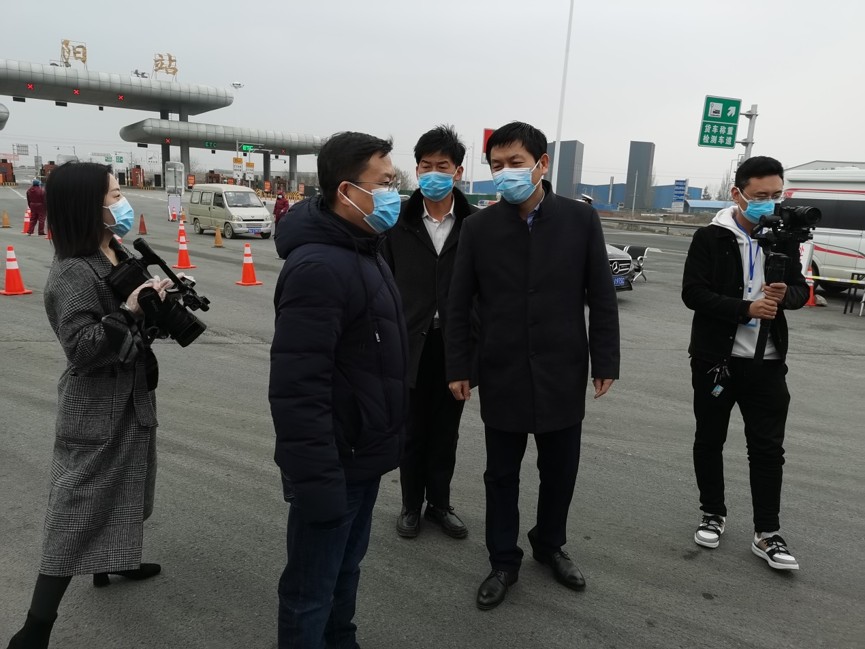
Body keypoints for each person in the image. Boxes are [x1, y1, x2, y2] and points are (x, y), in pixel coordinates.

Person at [446, 121, 620, 610]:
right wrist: (459, 366)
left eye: (515, 163)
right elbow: (458, 304)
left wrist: (606, 359)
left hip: (562, 368)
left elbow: (601, 296)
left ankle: (550, 544)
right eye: (496, 165)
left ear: (541, 164)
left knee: (560, 471)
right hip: (501, 369)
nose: (505, 172)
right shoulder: (479, 228)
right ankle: (503, 560)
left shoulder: (580, 220)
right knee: (500, 475)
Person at [6, 162, 173, 649]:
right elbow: (81, 349)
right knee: (76, 511)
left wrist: (158, 299)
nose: (123, 202)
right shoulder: (72, 272)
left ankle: (113, 561)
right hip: (96, 407)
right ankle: (35, 628)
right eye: (115, 195)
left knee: (132, 486)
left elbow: (135, 321)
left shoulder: (113, 248)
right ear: (88, 206)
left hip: (132, 396)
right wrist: (129, 310)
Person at [269, 131, 408, 648]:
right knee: (310, 589)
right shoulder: (320, 267)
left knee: (345, 571)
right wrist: (317, 478)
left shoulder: (365, 250)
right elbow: (297, 388)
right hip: (332, 463)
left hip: (361, 454)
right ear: (347, 191)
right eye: (385, 183)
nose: (394, 193)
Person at [682, 155, 808, 571]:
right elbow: (693, 293)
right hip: (716, 361)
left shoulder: (786, 238)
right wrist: (745, 309)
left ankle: (767, 532)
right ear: (737, 194)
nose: (769, 203)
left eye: (777, 194)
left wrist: (784, 296)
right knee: (709, 439)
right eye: (760, 195)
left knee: (768, 449)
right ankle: (712, 513)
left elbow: (800, 292)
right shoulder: (711, 238)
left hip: (767, 363)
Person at [382, 125, 477, 540]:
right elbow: (381, 284)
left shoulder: (476, 225)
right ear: (417, 169)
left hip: (454, 345)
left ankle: (439, 504)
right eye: (426, 166)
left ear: (458, 172)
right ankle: (410, 505)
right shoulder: (395, 222)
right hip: (408, 343)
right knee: (411, 431)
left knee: (445, 433)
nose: (433, 173)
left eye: (443, 166)